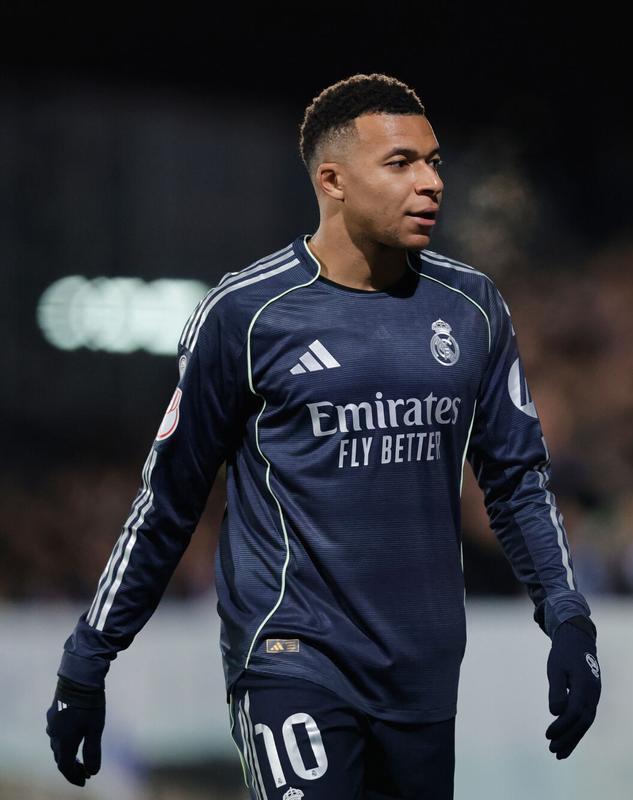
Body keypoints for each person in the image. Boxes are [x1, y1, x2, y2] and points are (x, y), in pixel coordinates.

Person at [44, 73, 601, 799]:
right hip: (291, 653)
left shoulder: (472, 308)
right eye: (401, 164)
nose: (430, 182)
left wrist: (566, 617)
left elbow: (517, 480)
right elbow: (169, 500)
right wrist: (89, 655)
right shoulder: (246, 314)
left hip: (423, 668)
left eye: (433, 161)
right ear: (332, 180)